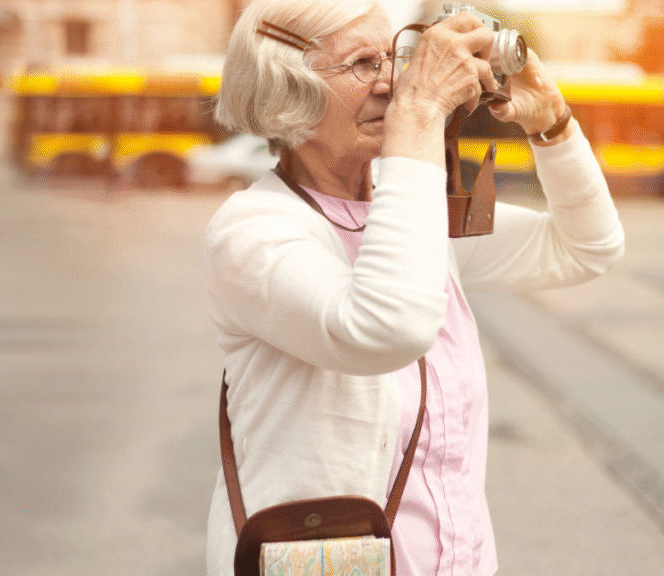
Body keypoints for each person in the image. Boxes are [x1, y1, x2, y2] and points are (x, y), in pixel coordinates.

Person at [203, 0, 625, 575]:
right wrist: (422, 113)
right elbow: (387, 328)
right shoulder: (251, 231)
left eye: (394, 57)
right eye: (361, 64)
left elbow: (585, 248)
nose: (393, 85)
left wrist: (551, 124)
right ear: (286, 86)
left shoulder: (406, 217)